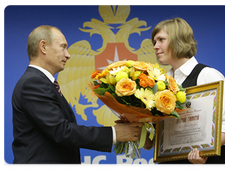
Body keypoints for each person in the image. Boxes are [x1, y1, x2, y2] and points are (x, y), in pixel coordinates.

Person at [11, 25, 143, 165]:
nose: (68, 55)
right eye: (63, 47)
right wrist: (114, 133)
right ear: (43, 47)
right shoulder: (33, 83)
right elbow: (61, 131)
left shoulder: (41, 82)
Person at [144, 17, 225, 165]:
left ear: (178, 39)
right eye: (154, 42)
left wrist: (204, 152)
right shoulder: (160, 83)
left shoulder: (208, 75)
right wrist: (136, 125)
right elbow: (153, 141)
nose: (155, 46)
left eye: (161, 40)